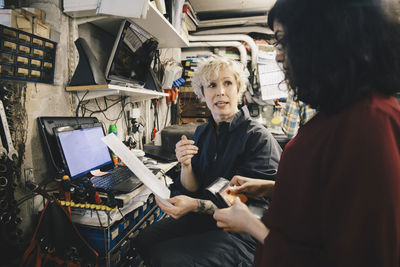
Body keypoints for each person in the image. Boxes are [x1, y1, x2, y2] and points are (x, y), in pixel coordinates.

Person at [214, 0, 400, 266]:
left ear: (323, 37)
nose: (278, 55)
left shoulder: (369, 123)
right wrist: (270, 189)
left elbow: (360, 256)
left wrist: (253, 226)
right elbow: (331, 204)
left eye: (282, 41)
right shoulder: (338, 113)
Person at [135, 56, 282, 266]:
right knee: (145, 240)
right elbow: (192, 188)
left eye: (227, 83)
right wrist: (186, 165)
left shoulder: (257, 138)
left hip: (241, 234)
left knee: (165, 258)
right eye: (212, 85)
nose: (220, 91)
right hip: (205, 220)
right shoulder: (202, 132)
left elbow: (251, 208)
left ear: (238, 90)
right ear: (202, 94)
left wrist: (194, 205)